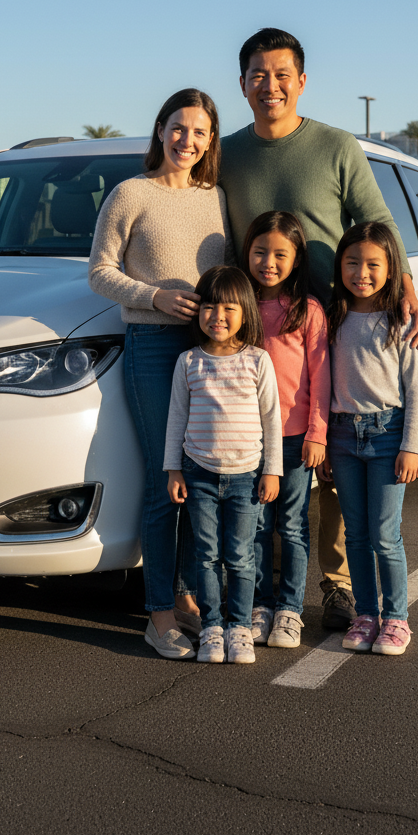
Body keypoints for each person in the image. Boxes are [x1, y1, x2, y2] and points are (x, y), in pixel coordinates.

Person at [217, 27, 418, 630]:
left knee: (330, 462)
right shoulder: (227, 154)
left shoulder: (336, 146)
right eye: (259, 74)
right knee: (264, 459)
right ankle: (260, 592)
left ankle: (336, 587)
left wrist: (405, 285)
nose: (271, 85)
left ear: (301, 82)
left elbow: (377, 220)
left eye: (283, 75)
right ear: (243, 84)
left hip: (333, 323)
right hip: (257, 329)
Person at [89, 88, 231, 660]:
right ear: (159, 130)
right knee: (164, 477)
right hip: (150, 346)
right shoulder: (130, 193)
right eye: (178, 128)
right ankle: (158, 613)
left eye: (199, 132)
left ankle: (190, 596)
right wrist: (152, 297)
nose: (187, 140)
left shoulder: (217, 197)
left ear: (210, 140)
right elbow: (99, 272)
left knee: (204, 479)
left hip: (211, 349)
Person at [164, 265, 283, 664]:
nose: (218, 316)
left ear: (246, 312)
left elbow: (272, 420)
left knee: (241, 556)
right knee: (206, 555)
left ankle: (239, 628)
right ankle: (212, 627)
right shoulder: (188, 362)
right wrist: (174, 469)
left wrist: (272, 470)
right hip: (198, 474)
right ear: (198, 312)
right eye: (210, 307)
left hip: (247, 477)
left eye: (229, 308)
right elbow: (176, 419)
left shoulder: (257, 361)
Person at [324, 222, 418, 656]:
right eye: (352, 263)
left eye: (372, 264)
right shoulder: (333, 317)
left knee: (385, 534)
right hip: (343, 437)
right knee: (357, 535)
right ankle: (366, 615)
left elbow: (415, 388)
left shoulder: (398, 321)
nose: (361, 272)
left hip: (387, 437)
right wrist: (325, 440)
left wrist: (411, 446)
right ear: (339, 266)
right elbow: (324, 385)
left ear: (390, 269)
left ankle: (397, 619)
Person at [243, 211, 330, 649]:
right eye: (260, 252)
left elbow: (321, 375)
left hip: (295, 439)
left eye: (280, 254)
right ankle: (260, 605)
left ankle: (290, 610)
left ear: (297, 259)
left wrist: (318, 433)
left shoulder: (307, 310)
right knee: (256, 525)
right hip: (247, 438)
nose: (269, 262)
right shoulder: (238, 306)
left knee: (292, 525)